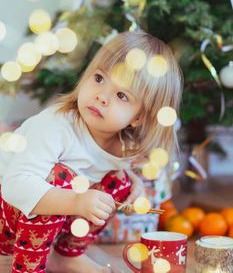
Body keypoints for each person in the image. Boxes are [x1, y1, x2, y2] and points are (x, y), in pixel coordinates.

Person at [0, 31, 182, 273]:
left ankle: (66, 256)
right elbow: (15, 186)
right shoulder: (54, 126)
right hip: (6, 222)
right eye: (99, 78)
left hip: (34, 224)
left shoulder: (121, 142)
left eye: (121, 95)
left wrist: (133, 181)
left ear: (138, 117)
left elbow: (100, 162)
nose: (102, 96)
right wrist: (75, 201)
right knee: (60, 179)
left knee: (119, 181)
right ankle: (28, 268)